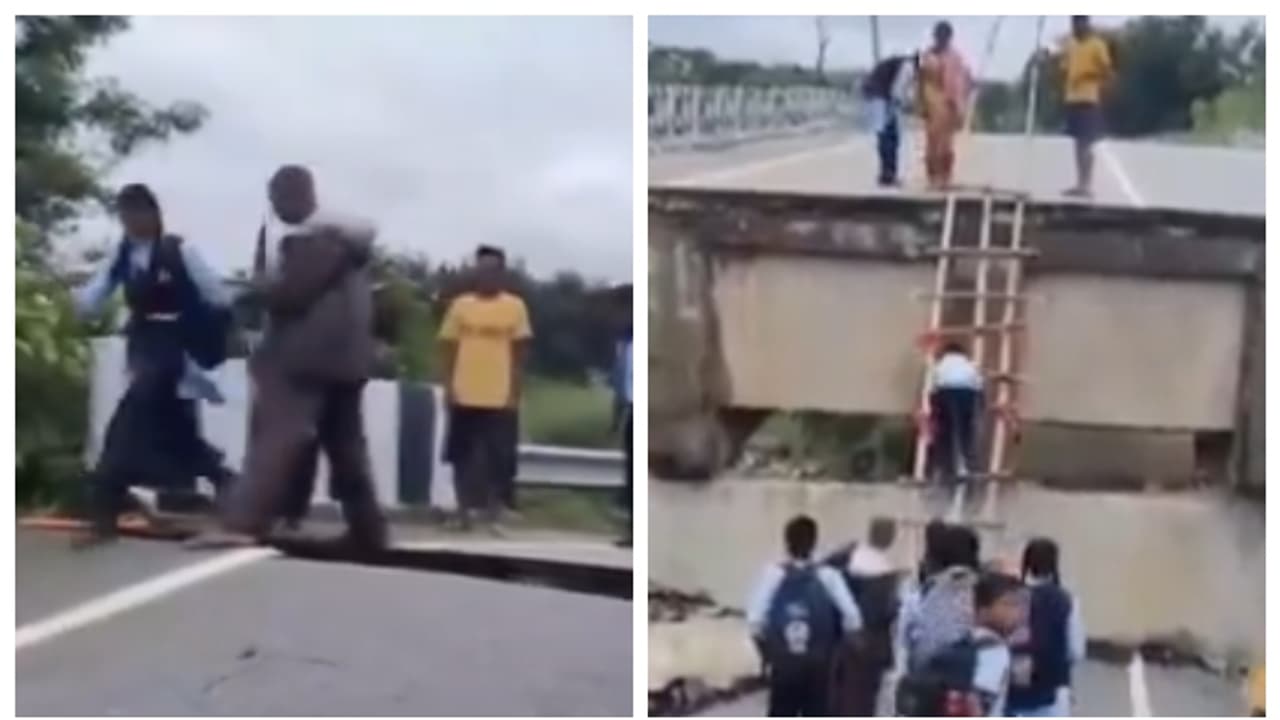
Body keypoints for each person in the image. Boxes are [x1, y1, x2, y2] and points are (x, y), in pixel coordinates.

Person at [189, 165, 387, 550]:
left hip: (304, 356)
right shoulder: (349, 245)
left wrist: (254, 291)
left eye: (277, 199)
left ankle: (243, 522)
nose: (275, 209)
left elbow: (292, 295)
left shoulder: (314, 239)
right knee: (346, 447)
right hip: (346, 358)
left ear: (296, 195)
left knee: (276, 435)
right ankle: (368, 530)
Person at [73, 183, 235, 545]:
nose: (131, 222)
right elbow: (95, 294)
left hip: (176, 348)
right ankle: (224, 480)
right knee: (175, 429)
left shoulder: (180, 250)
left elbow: (219, 298)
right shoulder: (123, 254)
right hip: (144, 344)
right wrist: (80, 304)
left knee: (127, 423)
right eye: (124, 215)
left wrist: (203, 339)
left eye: (137, 214)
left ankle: (104, 510)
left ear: (153, 214)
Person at [439, 246, 532, 533]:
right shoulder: (461, 306)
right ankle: (463, 513)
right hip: (465, 391)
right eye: (481, 269)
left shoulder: (515, 306)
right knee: (460, 455)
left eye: (492, 270)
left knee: (499, 458)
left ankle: (494, 514)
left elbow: (520, 352)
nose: (485, 275)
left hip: (499, 394)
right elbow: (448, 347)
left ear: (502, 274)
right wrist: (448, 385)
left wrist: (515, 391)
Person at [747, 514, 862, 717]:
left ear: (786, 542)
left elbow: (755, 623)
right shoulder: (828, 576)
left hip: (784, 668)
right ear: (814, 543)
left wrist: (768, 657)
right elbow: (853, 621)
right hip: (818, 668)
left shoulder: (772, 574)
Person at [897, 571, 1022, 717]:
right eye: (1008, 604)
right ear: (983, 610)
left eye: (1018, 605)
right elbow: (979, 708)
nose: (1016, 613)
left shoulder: (962, 644)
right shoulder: (994, 651)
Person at [828, 516, 901, 716]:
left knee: (838, 700)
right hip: (870, 648)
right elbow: (884, 614)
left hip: (841, 642)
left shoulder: (848, 558)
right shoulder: (886, 573)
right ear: (890, 538)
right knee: (862, 704)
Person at [1007, 538, 1086, 716]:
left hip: (1012, 692)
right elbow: (1076, 650)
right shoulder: (1066, 600)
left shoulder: (1010, 594)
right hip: (1053, 691)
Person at [902, 523, 981, 672]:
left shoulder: (931, 588)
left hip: (931, 667)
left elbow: (913, 631)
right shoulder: (983, 586)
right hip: (973, 667)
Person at [1060, 16, 1113, 198]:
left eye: (1078, 23)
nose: (1075, 28)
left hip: (1088, 97)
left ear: (1086, 24)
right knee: (1077, 143)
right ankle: (1079, 182)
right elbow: (1065, 68)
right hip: (1072, 97)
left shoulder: (1097, 45)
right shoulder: (1071, 45)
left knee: (1086, 143)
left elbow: (1107, 71)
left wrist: (1088, 75)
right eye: (1073, 24)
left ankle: (1087, 184)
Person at [917, 21, 972, 190]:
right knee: (932, 143)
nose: (941, 39)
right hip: (932, 103)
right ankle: (933, 177)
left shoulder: (955, 57)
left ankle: (945, 177)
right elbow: (920, 81)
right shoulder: (927, 56)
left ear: (949, 37)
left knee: (945, 144)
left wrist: (959, 104)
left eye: (944, 36)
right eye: (938, 35)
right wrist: (921, 105)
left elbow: (962, 81)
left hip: (948, 105)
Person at [863, 52, 918, 187]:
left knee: (886, 137)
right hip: (880, 99)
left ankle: (886, 174)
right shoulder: (909, 67)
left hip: (875, 97)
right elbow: (897, 92)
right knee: (889, 138)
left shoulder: (902, 63)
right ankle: (888, 175)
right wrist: (905, 106)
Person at [931, 341, 984, 481]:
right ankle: (966, 466)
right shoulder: (970, 364)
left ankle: (949, 467)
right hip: (968, 394)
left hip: (946, 394)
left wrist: (933, 404)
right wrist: (980, 403)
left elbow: (933, 385)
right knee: (965, 431)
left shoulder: (940, 364)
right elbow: (978, 384)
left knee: (948, 432)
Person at [610, 284, 633, 548]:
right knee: (631, 473)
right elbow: (621, 380)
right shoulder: (625, 342)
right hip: (631, 409)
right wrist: (616, 415)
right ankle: (632, 529)